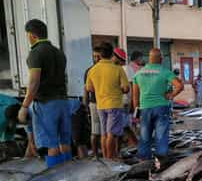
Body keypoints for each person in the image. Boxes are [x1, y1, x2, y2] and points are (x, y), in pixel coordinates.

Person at [17, 18, 72, 168]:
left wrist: (24, 106)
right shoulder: (59, 53)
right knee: (64, 142)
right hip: (63, 102)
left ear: (32, 35)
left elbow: (34, 82)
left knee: (51, 144)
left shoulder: (36, 53)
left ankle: (55, 179)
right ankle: (70, 175)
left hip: (46, 103)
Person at [132, 48, 183, 161]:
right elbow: (179, 86)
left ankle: (144, 160)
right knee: (161, 135)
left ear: (149, 59)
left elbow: (135, 95)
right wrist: (171, 95)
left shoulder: (138, 73)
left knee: (145, 136)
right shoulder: (165, 72)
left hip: (145, 108)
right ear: (161, 59)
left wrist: (136, 110)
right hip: (161, 108)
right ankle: (160, 160)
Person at [85, 42, 129, 160]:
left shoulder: (92, 70)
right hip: (114, 104)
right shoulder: (118, 69)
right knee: (112, 134)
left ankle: (105, 157)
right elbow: (126, 88)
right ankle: (111, 158)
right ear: (111, 54)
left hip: (100, 105)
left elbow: (89, 88)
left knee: (104, 133)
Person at [115, 47, 139, 148]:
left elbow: (131, 88)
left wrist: (132, 104)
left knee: (123, 128)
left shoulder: (125, 69)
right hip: (123, 103)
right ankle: (135, 146)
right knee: (124, 127)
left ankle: (137, 145)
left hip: (124, 103)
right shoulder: (124, 69)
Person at [84, 47, 102, 157]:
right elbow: (85, 89)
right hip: (94, 103)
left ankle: (102, 153)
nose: (96, 58)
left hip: (105, 103)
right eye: (94, 56)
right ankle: (95, 154)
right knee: (95, 131)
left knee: (104, 132)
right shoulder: (89, 71)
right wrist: (85, 104)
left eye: (98, 56)